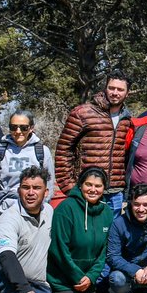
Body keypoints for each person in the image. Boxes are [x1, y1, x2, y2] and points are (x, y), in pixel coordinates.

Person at [47, 167, 113, 293]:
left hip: (86, 279)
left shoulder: (107, 212)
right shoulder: (66, 208)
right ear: (80, 185)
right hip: (63, 277)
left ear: (104, 188)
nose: (93, 189)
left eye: (98, 186)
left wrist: (91, 277)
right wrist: (76, 276)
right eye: (88, 184)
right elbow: (58, 248)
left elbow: (104, 250)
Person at [55, 72, 132, 210]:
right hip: (87, 190)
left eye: (120, 89)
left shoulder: (127, 119)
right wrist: (69, 187)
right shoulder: (83, 113)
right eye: (111, 88)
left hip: (115, 193)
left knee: (112, 231)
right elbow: (63, 150)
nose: (115, 93)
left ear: (127, 93)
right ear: (105, 88)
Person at [0, 111, 55, 253]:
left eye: (23, 127)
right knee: (4, 251)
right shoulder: (0, 150)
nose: (18, 131)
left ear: (31, 128)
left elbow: (49, 183)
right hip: (6, 209)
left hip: (33, 212)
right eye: (13, 127)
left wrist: (42, 208)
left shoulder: (42, 151)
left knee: (30, 252)